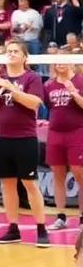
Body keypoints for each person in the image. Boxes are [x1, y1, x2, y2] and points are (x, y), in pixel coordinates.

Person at [0, 40, 50, 246]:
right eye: (8, 51)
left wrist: (6, 86)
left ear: (24, 57)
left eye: (15, 51)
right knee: (7, 184)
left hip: (25, 137)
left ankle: (41, 228)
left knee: (29, 183)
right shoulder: (0, 79)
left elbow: (33, 103)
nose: (11, 54)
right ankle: (13, 229)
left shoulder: (32, 77)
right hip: (4, 138)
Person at [44, 61, 83, 232]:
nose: (59, 63)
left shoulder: (80, 81)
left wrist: (74, 93)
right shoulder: (49, 85)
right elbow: (48, 107)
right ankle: (60, 216)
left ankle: (82, 217)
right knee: (57, 173)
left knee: (79, 172)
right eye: (56, 61)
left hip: (77, 131)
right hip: (55, 133)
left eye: (63, 60)